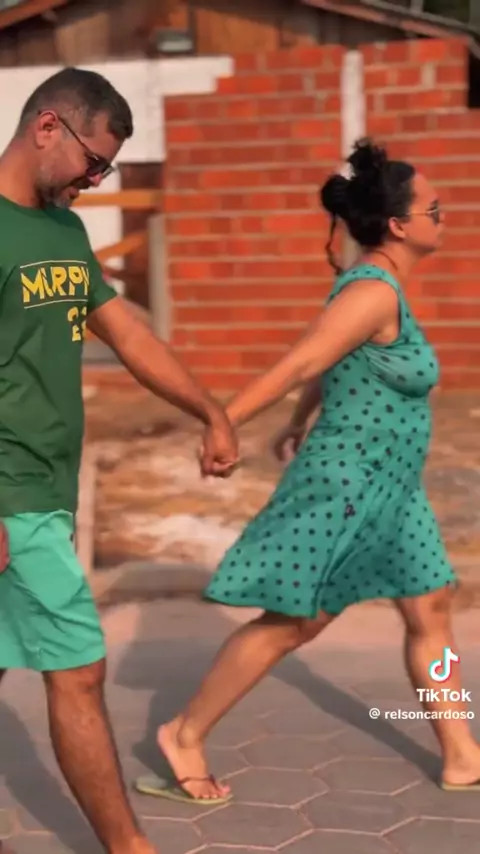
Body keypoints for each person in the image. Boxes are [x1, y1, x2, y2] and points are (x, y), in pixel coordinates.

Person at [139, 138, 480, 805]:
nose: (444, 219)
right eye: (434, 210)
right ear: (399, 225)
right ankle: (184, 732)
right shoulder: (372, 291)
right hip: (346, 489)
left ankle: (462, 752)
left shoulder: (377, 290)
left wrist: (297, 420)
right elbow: (302, 359)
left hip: (393, 491)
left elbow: (333, 363)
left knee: (431, 605)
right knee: (293, 622)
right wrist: (224, 421)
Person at [0, 67, 238, 853]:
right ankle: (129, 847)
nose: (96, 179)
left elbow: (127, 333)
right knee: (79, 670)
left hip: (48, 488)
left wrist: (209, 408)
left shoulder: (63, 233)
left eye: (106, 168)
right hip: (12, 492)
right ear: (47, 126)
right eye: (93, 161)